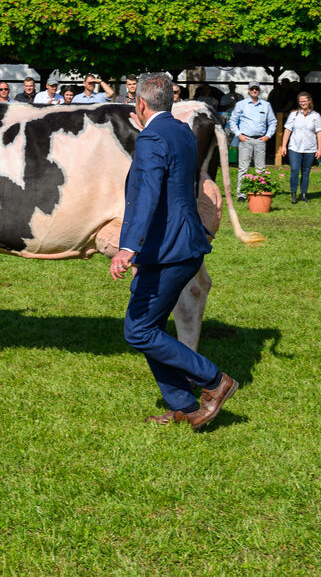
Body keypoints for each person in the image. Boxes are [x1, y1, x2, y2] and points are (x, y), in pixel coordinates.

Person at [109, 72, 238, 429]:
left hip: (167, 249)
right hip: (183, 244)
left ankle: (215, 381)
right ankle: (184, 404)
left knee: (139, 331)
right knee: (147, 327)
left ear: (140, 103)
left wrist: (128, 247)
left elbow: (148, 193)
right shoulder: (181, 130)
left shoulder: (151, 138)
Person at [227, 84, 276, 201]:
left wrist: (268, 136)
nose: (254, 90)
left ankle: (260, 192)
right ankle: (242, 194)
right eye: (252, 89)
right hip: (245, 139)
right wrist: (239, 135)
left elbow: (273, 122)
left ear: (259, 90)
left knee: (261, 168)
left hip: (260, 139)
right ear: (248, 90)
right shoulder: (241, 104)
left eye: (256, 89)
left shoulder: (266, 105)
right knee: (243, 168)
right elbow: (233, 121)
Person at [279, 91, 321, 204]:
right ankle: (293, 194)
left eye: (304, 101)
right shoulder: (294, 115)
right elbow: (287, 130)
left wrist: (319, 149)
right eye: (300, 101)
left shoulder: (315, 116)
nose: (302, 103)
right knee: (294, 171)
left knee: (306, 172)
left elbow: (319, 132)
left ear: (309, 101)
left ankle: (303, 194)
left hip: (310, 148)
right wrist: (283, 146)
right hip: (295, 147)